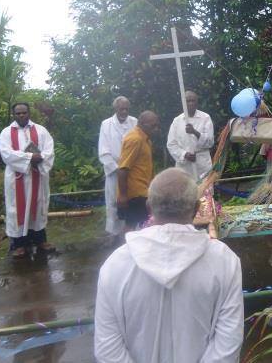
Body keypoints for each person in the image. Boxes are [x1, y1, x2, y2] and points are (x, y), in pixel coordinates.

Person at [94, 168, 244, 362]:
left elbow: (107, 349)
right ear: (197, 208)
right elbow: (228, 342)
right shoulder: (224, 261)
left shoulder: (115, 265)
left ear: (149, 208)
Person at [0, 102, 55, 258]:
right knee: (17, 210)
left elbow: (49, 151)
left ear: (29, 113)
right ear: (13, 115)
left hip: (37, 176)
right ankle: (19, 245)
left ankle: (40, 241)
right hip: (17, 178)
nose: (21, 115)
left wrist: (40, 158)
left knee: (38, 206)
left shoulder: (41, 131)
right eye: (18, 113)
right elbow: (7, 154)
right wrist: (30, 157)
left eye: (24, 112)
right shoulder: (6, 133)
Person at [98, 96, 137, 242]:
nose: (124, 111)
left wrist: (129, 168)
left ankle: (131, 233)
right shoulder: (106, 124)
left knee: (132, 200)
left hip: (132, 171)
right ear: (115, 109)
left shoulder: (135, 122)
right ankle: (114, 234)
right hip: (114, 172)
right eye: (121, 109)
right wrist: (118, 169)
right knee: (114, 202)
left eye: (126, 108)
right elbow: (104, 150)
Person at [117, 111, 160, 231]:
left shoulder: (146, 139)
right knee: (131, 225)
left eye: (157, 126)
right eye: (153, 126)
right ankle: (126, 248)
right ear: (142, 123)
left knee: (142, 225)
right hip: (134, 193)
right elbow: (123, 169)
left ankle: (136, 248)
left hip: (144, 191)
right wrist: (123, 195)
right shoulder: (134, 139)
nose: (156, 129)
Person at [166, 91, 214, 180]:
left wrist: (195, 132)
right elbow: (171, 144)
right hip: (184, 166)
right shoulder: (177, 121)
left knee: (203, 191)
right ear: (183, 103)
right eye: (188, 101)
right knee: (185, 192)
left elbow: (210, 142)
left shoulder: (206, 118)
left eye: (193, 101)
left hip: (202, 164)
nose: (191, 103)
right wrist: (185, 154)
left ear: (197, 102)